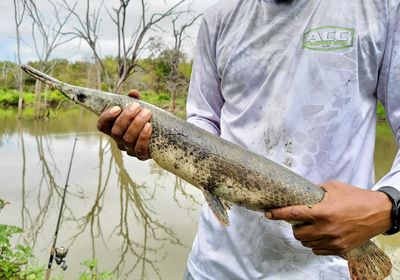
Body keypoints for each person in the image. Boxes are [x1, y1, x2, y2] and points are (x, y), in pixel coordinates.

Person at [97, 0, 400, 278]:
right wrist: (152, 135)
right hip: (215, 266)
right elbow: (204, 119)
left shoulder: (381, 8)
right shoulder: (219, 17)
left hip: (328, 267)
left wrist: (388, 206)